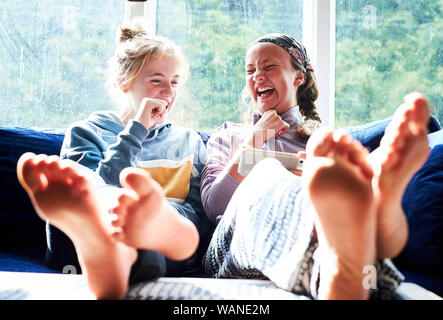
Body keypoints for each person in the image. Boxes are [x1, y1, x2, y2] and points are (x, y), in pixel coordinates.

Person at [201, 33, 431, 299]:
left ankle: (350, 257)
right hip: (231, 249)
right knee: (267, 172)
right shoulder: (230, 134)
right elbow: (214, 205)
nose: (257, 76)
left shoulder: (323, 140)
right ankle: (375, 222)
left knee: (344, 234)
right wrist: (253, 142)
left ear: (298, 77)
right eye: (250, 70)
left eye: (268, 67)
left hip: (309, 242)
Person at [16, 20, 211, 299]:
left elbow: (197, 213)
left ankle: (126, 245)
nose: (168, 92)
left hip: (162, 245)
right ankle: (107, 242)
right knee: (83, 183)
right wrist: (137, 129)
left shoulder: (189, 141)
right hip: (77, 243)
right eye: (156, 80)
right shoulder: (86, 131)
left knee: (167, 233)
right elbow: (93, 187)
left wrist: (154, 216)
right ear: (124, 82)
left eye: (175, 83)